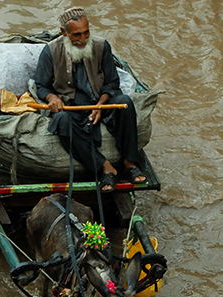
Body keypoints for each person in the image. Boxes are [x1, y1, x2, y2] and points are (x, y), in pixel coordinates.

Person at [34, 7, 147, 192]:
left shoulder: (102, 46)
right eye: (77, 35)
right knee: (61, 121)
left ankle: (130, 164)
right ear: (64, 33)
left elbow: (112, 83)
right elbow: (41, 85)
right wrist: (52, 97)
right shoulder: (50, 52)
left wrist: (100, 106)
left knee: (125, 102)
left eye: (86, 33)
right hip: (71, 107)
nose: (83, 40)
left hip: (99, 101)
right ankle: (105, 167)